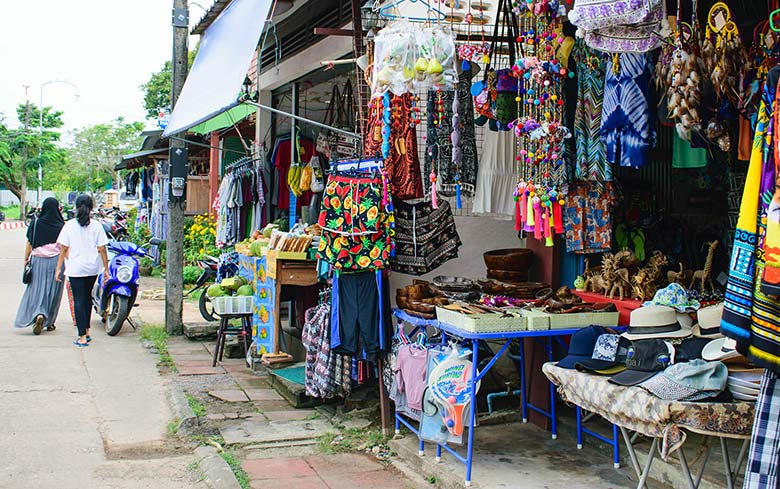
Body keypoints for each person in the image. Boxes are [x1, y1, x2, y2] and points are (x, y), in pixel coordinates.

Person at [56, 195, 109, 347]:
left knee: (79, 300)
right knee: (87, 298)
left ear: (76, 207)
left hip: (75, 269)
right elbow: (102, 249)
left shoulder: (69, 225)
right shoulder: (97, 226)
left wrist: (58, 268)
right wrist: (106, 268)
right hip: (92, 268)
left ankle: (82, 337)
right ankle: (86, 330)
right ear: (91, 207)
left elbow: (63, 248)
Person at [14, 197, 66, 335]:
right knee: (54, 292)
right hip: (56, 262)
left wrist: (26, 259)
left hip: (37, 261)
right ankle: (49, 322)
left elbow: (29, 243)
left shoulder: (36, 223)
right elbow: (65, 248)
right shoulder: (62, 225)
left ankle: (38, 313)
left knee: (36, 289)